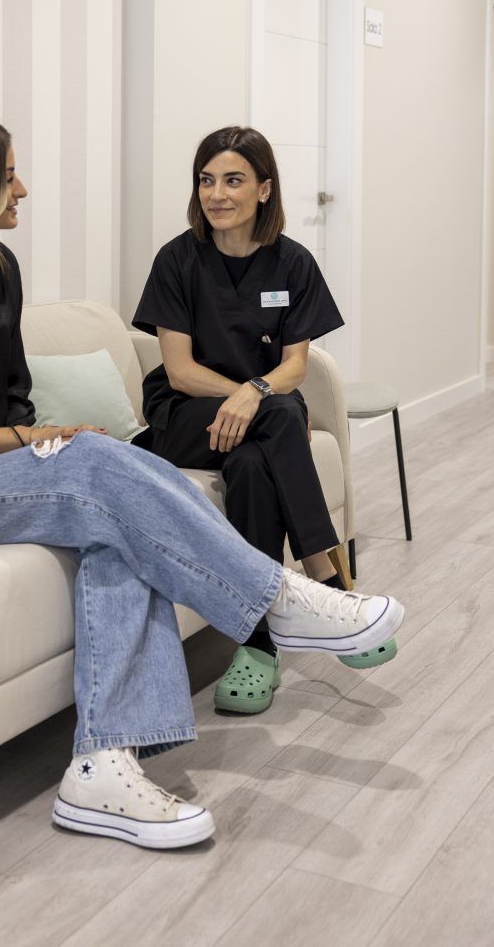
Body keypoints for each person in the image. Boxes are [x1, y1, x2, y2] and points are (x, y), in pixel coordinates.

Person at [0, 114, 404, 851]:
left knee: (117, 518)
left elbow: (13, 397)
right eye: (10, 173)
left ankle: (101, 767)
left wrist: (36, 438)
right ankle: (278, 598)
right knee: (100, 464)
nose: (23, 187)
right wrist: (34, 441)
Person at [132, 126, 395, 718]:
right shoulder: (177, 260)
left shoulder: (292, 262)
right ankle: (327, 589)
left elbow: (296, 364)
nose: (216, 194)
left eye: (233, 180)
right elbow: (177, 370)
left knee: (254, 465)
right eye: (206, 180)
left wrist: (255, 396)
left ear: (264, 189)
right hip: (183, 417)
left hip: (258, 416)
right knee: (277, 414)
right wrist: (251, 396)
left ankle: (258, 647)